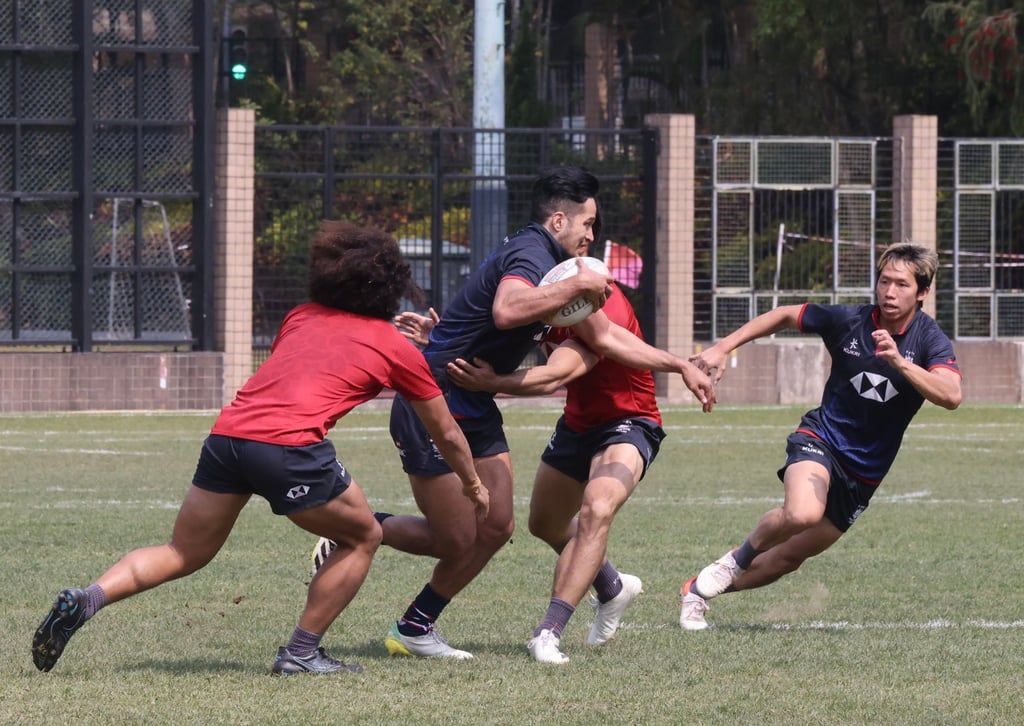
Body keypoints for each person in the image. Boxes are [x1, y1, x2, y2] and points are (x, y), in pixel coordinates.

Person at [30, 221, 488, 676]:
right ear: (389, 287)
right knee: (363, 535)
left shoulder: (300, 316)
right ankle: (301, 654)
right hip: (288, 448)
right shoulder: (394, 345)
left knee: (183, 551)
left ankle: (87, 598)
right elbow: (446, 432)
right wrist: (472, 484)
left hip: (227, 437)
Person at [335, 167, 714, 660]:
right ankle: (360, 527)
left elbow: (604, 341)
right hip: (435, 398)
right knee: (455, 538)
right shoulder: (536, 253)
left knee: (496, 527)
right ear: (559, 220)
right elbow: (508, 311)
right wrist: (580, 282)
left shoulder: (565, 276)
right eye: (588, 224)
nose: (591, 236)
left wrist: (680, 363)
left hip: (480, 398)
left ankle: (415, 625)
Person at [678, 242, 962, 631]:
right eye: (884, 281)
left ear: (923, 292)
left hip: (863, 475)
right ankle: (734, 559)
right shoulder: (850, 321)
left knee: (785, 560)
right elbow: (783, 316)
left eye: (901, 284)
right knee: (802, 512)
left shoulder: (929, 340)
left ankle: (696, 591)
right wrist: (724, 346)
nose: (890, 292)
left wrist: (899, 362)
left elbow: (951, 396)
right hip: (821, 439)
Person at [444, 274, 712, 663]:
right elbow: (502, 334)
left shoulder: (600, 304)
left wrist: (494, 382)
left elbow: (555, 374)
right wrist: (445, 338)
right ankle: (613, 587)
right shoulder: (545, 296)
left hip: (630, 420)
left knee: (597, 509)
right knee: (545, 523)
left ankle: (548, 632)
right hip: (576, 425)